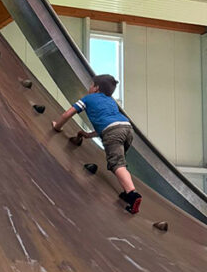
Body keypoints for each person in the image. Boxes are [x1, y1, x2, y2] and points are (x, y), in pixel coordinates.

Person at [51, 74, 141, 213]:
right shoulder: (111, 101)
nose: (90, 87)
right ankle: (126, 190)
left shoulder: (88, 98)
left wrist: (57, 126)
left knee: (116, 164)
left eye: (91, 84)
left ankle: (132, 195)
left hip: (113, 131)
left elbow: (68, 114)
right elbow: (107, 126)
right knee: (120, 162)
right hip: (127, 128)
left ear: (96, 88)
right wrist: (88, 135)